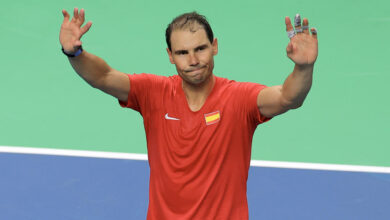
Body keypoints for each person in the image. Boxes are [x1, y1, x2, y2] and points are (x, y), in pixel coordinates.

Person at [59, 8, 318, 220]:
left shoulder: (240, 99)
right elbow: (103, 77)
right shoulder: (152, 93)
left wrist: (304, 68)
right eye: (182, 52)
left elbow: (287, 97)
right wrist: (75, 53)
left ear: (214, 46)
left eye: (200, 49)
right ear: (170, 56)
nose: (193, 60)